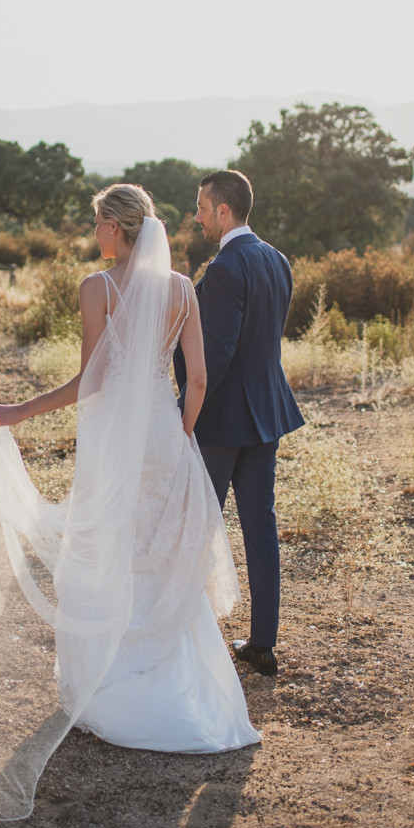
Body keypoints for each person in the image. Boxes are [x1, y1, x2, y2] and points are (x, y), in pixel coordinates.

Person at [0, 184, 260, 822]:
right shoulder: (182, 289)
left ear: (116, 228)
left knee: (106, 549)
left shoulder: (97, 288)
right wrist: (180, 433)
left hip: (113, 444)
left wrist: (20, 410)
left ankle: (109, 685)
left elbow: (93, 378)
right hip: (164, 436)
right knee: (159, 556)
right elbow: (199, 378)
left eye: (97, 222)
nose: (93, 232)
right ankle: (181, 691)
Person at [176, 169, 305, 677]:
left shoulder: (227, 266)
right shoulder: (277, 259)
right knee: (260, 526)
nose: (198, 217)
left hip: (222, 420)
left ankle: (181, 640)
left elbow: (218, 351)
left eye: (202, 207)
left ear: (223, 210)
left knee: (196, 526)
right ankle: (263, 642)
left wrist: (184, 411)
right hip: (265, 412)